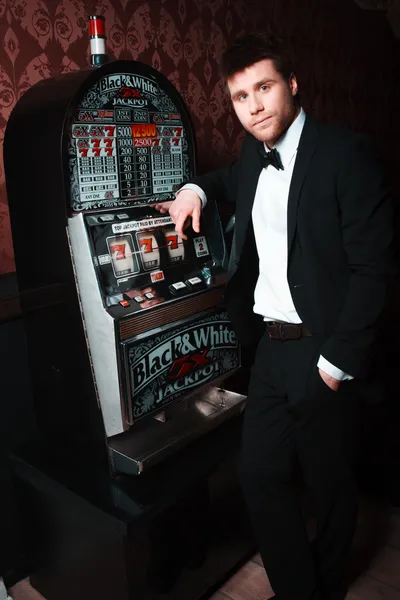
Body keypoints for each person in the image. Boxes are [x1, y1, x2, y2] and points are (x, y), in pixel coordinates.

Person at [154, 32, 395, 600]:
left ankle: (328, 582)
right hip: (269, 350)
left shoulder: (346, 154)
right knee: (260, 476)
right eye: (240, 97)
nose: (254, 106)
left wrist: (335, 366)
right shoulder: (247, 155)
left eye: (263, 88)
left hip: (323, 351)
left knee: (330, 484)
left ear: (291, 85)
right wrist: (193, 189)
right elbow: (225, 182)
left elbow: (376, 270)